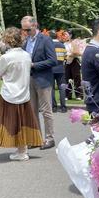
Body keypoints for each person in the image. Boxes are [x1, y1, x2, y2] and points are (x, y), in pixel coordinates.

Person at [0, 27, 43, 161]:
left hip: (9, 93)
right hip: (24, 93)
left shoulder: (5, 57)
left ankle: (21, 151)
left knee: (11, 122)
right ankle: (22, 150)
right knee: (23, 122)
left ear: (7, 40)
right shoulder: (26, 55)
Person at [21, 16, 57, 150]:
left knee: (46, 111)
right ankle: (36, 139)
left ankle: (49, 138)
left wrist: (34, 65)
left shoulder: (45, 39)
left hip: (43, 79)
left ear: (35, 25)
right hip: (29, 79)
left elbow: (53, 60)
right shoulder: (26, 41)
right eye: (24, 30)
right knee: (32, 111)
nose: (26, 32)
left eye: (28, 29)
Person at [50, 30, 68, 113]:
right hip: (61, 69)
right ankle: (63, 107)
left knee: (52, 89)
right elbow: (65, 58)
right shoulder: (62, 45)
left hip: (51, 69)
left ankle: (54, 107)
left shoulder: (49, 45)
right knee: (62, 88)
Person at [65, 34, 84, 100]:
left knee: (77, 78)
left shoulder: (76, 42)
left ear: (70, 35)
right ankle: (67, 95)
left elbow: (78, 52)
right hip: (67, 62)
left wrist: (71, 54)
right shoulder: (65, 43)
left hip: (75, 61)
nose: (65, 35)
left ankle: (79, 95)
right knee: (67, 78)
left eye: (66, 34)